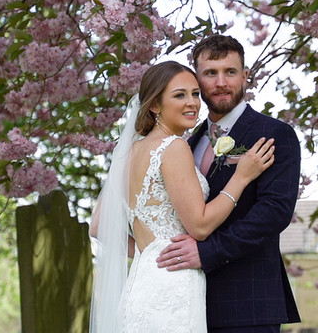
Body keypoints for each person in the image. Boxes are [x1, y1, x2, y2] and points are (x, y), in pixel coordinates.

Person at [88, 61, 276, 332]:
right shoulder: (174, 147)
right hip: (173, 286)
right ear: (154, 105)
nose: (193, 103)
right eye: (180, 95)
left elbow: (97, 227)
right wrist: (242, 177)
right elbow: (198, 227)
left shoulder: (128, 152)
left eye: (195, 94)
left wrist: (150, 252)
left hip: (140, 285)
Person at [156, 35, 302, 332]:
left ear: (245, 76)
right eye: (211, 73)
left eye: (230, 72)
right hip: (187, 302)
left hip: (247, 305)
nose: (221, 82)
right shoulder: (187, 142)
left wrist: (207, 252)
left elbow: (274, 212)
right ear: (197, 80)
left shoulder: (275, 133)